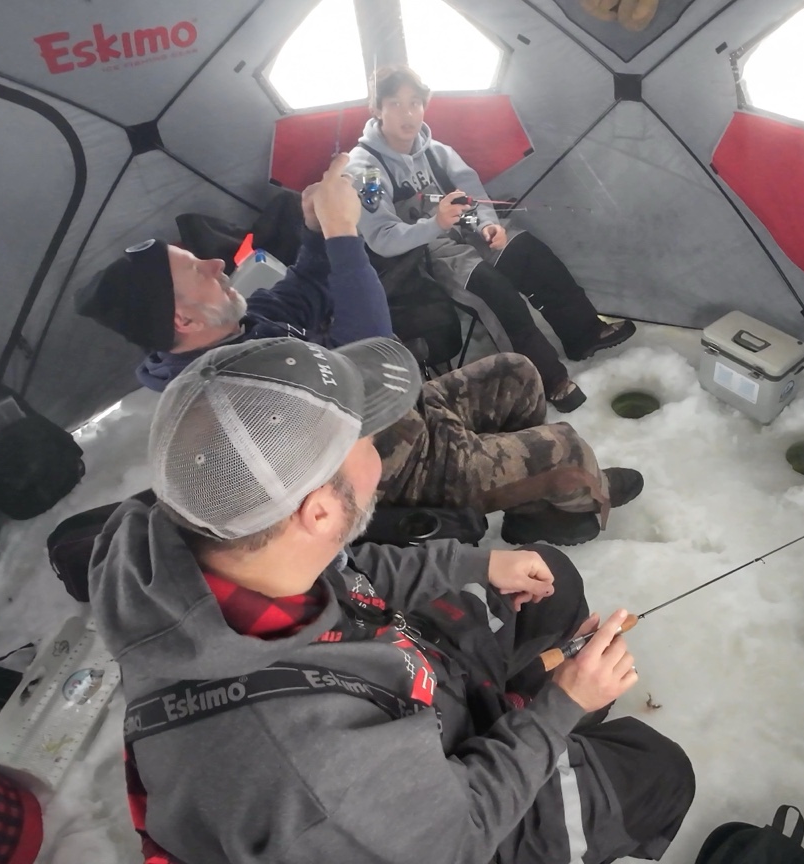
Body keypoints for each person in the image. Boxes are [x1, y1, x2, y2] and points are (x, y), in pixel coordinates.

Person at [91, 336, 695, 864]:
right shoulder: (305, 776)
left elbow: (349, 569)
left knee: (550, 577)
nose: (382, 452)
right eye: (363, 439)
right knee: (658, 770)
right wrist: (561, 707)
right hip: (442, 823)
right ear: (319, 511)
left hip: (398, 686)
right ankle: (557, 730)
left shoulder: (223, 530)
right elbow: (458, 837)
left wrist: (479, 562)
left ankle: (535, 710)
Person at [76, 154, 640, 545]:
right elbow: (370, 356)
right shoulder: (228, 396)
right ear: (182, 318)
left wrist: (317, 230)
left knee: (517, 373)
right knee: (565, 449)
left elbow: (305, 285)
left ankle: (526, 505)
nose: (217, 263)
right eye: (195, 270)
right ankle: (573, 503)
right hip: (393, 469)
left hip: (412, 415)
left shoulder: (245, 324)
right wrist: (346, 235)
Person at [346, 65, 636, 414]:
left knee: (530, 252)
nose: (407, 114)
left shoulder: (437, 151)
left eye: (414, 103)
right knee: (495, 290)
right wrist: (434, 224)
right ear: (376, 108)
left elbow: (473, 195)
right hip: (422, 254)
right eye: (395, 104)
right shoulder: (365, 168)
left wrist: (487, 225)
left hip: (467, 232)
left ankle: (584, 333)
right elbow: (382, 239)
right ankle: (547, 380)